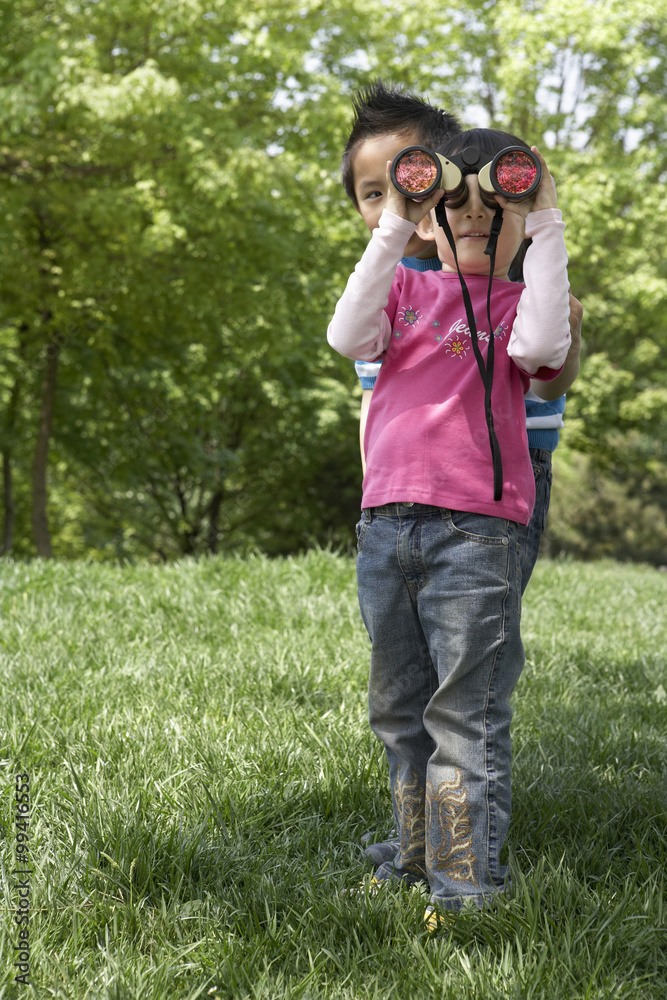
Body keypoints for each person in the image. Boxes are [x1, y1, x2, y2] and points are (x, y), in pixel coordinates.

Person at [327, 126, 571, 917]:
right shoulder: (402, 289)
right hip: (386, 527)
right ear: (429, 215)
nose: (473, 218)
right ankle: (410, 856)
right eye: (453, 204)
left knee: (462, 715)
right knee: (399, 709)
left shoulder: (522, 305)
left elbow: (540, 349)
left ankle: (463, 886)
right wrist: (398, 216)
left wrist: (546, 223)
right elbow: (344, 335)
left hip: (476, 535)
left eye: (495, 207)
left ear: (520, 213)